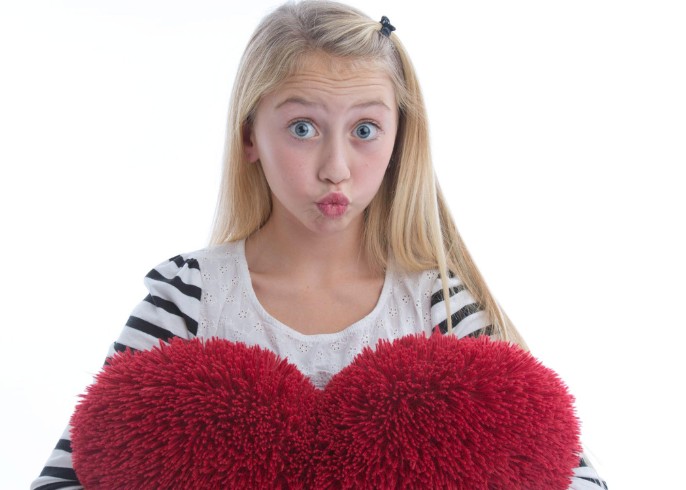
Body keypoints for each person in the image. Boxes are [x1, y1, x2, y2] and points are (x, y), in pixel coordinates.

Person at [31, 1, 607, 488]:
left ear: (399, 140)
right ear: (250, 136)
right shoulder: (190, 298)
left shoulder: (439, 304)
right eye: (302, 128)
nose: (336, 168)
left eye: (364, 130)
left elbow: (576, 477)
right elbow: (65, 478)